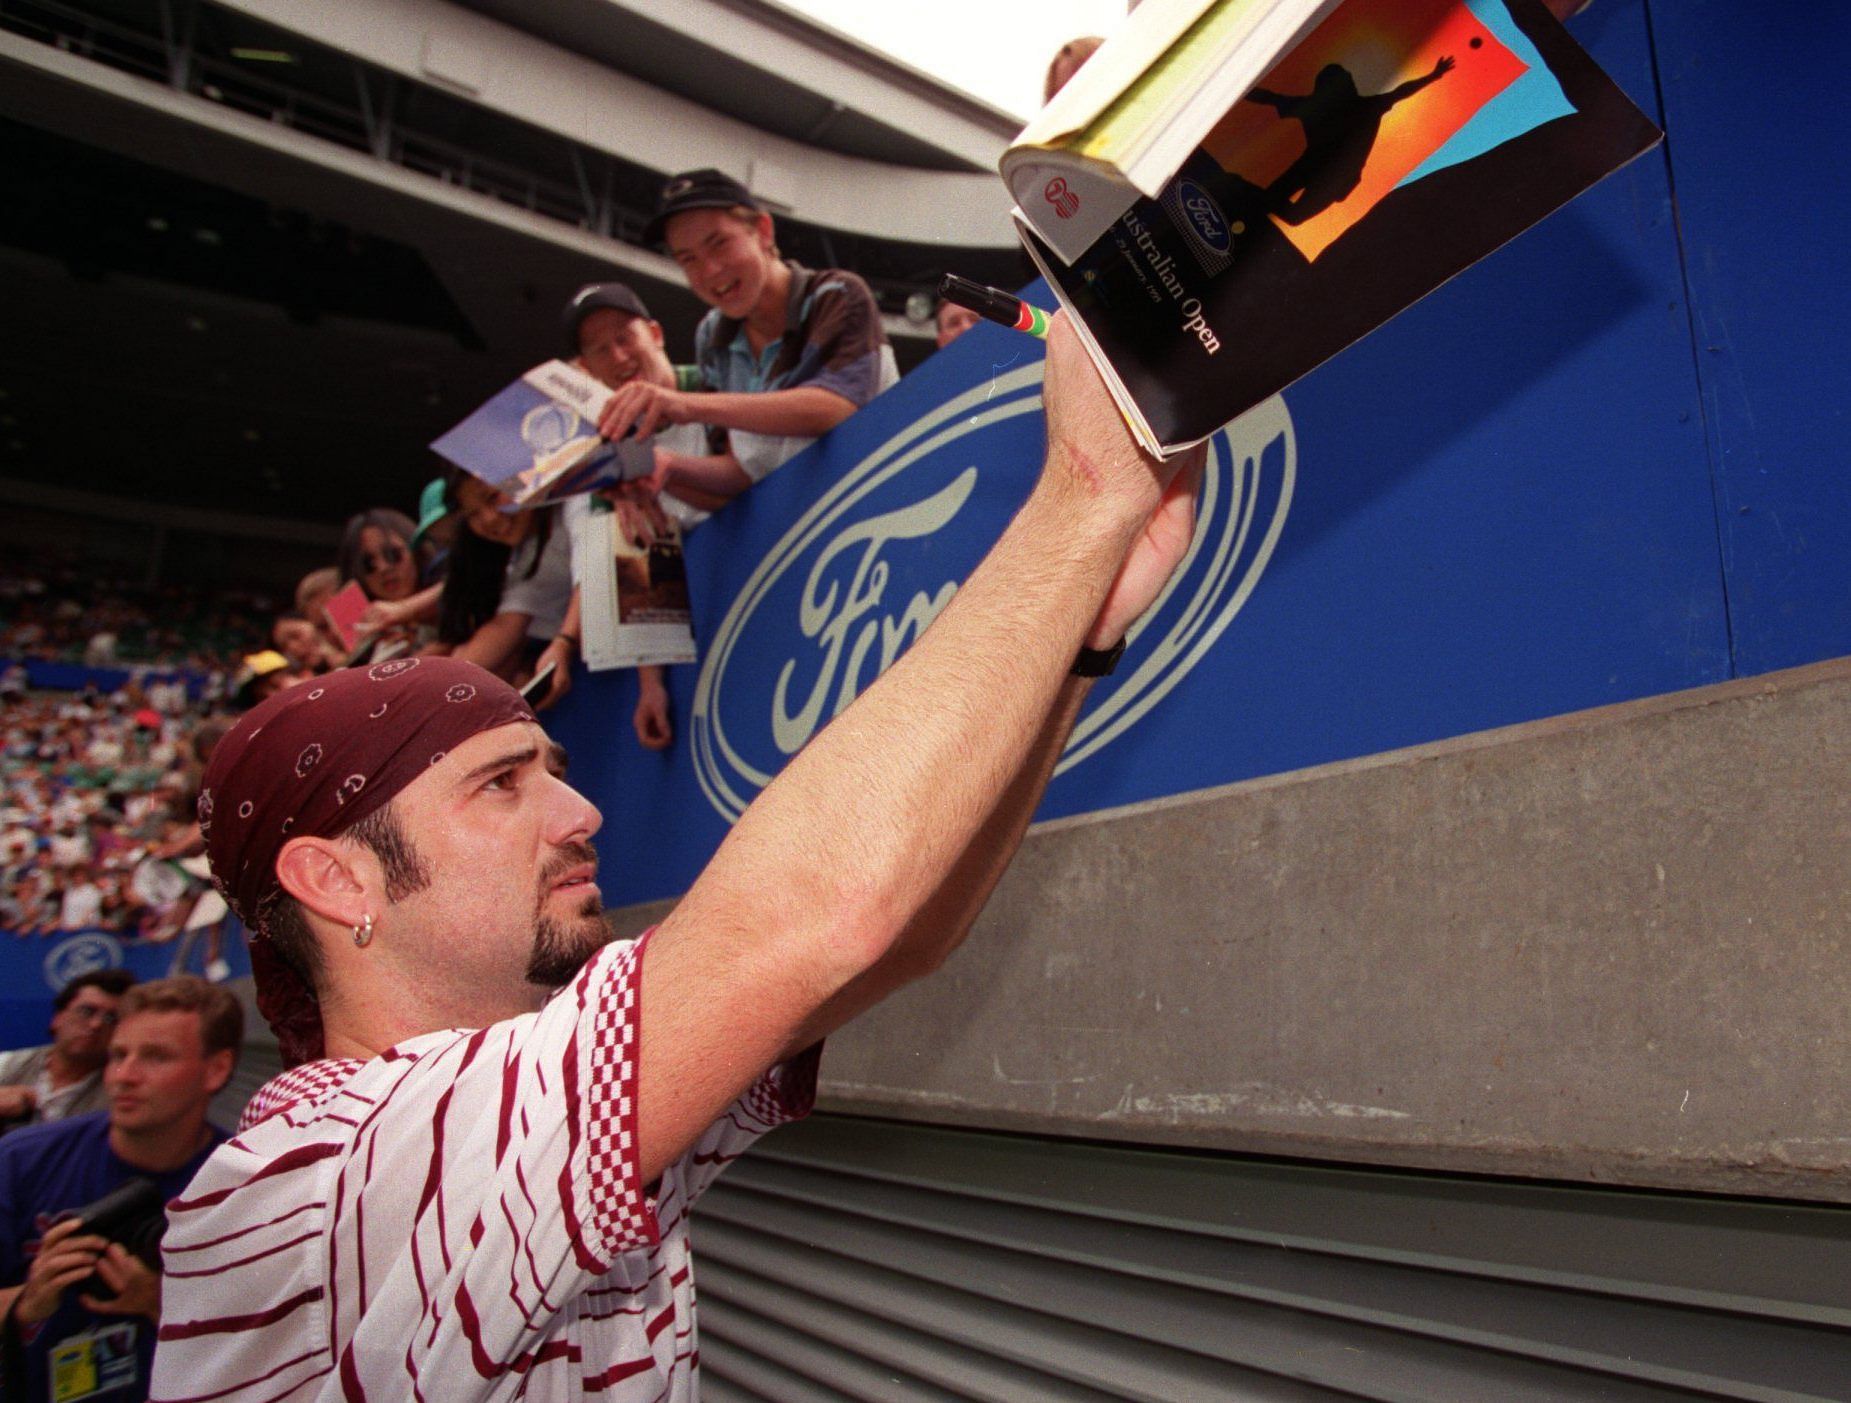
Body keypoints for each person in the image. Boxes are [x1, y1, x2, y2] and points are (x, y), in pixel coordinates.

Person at [148, 314, 1203, 1400]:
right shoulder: (321, 1172)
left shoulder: (522, 1117)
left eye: (550, 766)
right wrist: (1083, 494)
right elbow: (827, 916)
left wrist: (1083, 641)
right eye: (501, 782)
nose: (580, 809)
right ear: (337, 877)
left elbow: (903, 933)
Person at [0, 977, 239, 1402]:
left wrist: (158, 1302)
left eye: (155, 1057)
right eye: (118, 1055)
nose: (125, 1076)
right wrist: (28, 1300)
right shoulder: (22, 1160)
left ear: (216, 1069)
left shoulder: (244, 1184)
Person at [599, 168, 895, 495]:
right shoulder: (711, 336)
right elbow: (741, 474)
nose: (710, 270)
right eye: (688, 259)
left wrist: (686, 404)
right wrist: (663, 466)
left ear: (763, 231)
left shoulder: (836, 293)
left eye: (720, 243)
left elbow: (837, 408)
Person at [562, 281, 726, 748]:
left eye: (625, 337)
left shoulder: (720, 388)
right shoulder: (602, 453)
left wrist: (671, 471)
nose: (618, 357)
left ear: (655, 333)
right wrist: (650, 686)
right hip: (705, 637)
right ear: (585, 370)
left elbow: (757, 485)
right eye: (599, 350)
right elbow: (632, 559)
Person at [0, 969, 136, 1130]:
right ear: (57, 1018)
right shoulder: (7, 1064)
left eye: (111, 1019)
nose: (96, 1025)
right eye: (87, 1011)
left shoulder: (123, 1087)